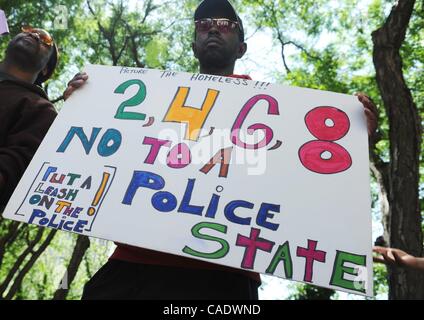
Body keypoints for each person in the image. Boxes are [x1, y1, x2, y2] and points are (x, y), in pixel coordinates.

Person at [64, 0, 378, 300]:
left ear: (241, 47)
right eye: (203, 25)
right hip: (133, 265)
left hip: (225, 276)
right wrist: (83, 107)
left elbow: (307, 181)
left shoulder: (280, 116)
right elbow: (112, 150)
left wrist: (353, 136)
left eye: (226, 25)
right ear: (193, 46)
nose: (213, 29)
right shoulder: (155, 99)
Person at [0, 26, 59, 212]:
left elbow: (12, 169)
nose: (33, 34)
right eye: (29, 30)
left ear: (45, 70)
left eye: (45, 40)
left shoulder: (41, 110)